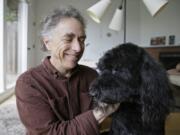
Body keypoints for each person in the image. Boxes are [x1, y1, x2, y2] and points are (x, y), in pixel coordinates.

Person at [15, 6, 119, 135]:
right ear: (47, 42)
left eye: (81, 40)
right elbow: (48, 133)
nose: (77, 48)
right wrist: (100, 113)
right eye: (68, 39)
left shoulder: (91, 75)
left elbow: (110, 119)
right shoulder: (29, 83)